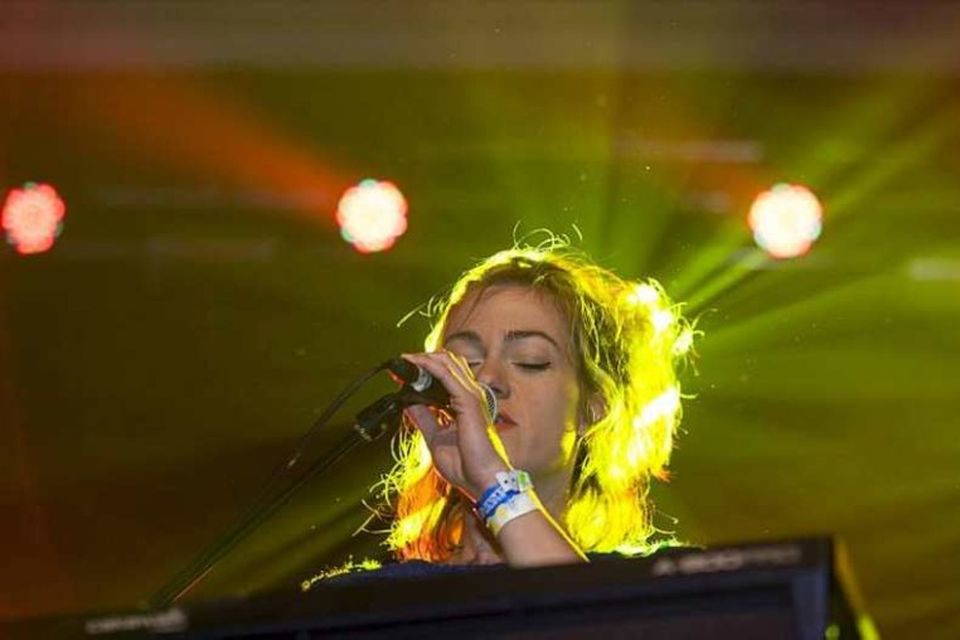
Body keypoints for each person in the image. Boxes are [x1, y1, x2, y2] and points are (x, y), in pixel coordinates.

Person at [305, 237, 695, 586]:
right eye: (465, 361)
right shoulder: (360, 599)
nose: (486, 380)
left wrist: (496, 486)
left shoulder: (662, 584)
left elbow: (595, 627)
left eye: (530, 361)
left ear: (593, 408)